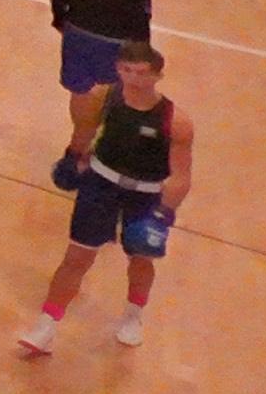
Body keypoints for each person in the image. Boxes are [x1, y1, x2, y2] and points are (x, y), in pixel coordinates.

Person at [19, 42, 192, 356]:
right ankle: (45, 326)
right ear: (118, 70)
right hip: (100, 185)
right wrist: (72, 157)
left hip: (145, 195)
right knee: (76, 258)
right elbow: (84, 131)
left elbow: (180, 177)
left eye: (141, 73)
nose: (133, 78)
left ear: (157, 76)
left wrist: (163, 215)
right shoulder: (104, 98)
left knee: (140, 260)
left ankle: (133, 315)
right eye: (127, 70)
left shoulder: (176, 122)